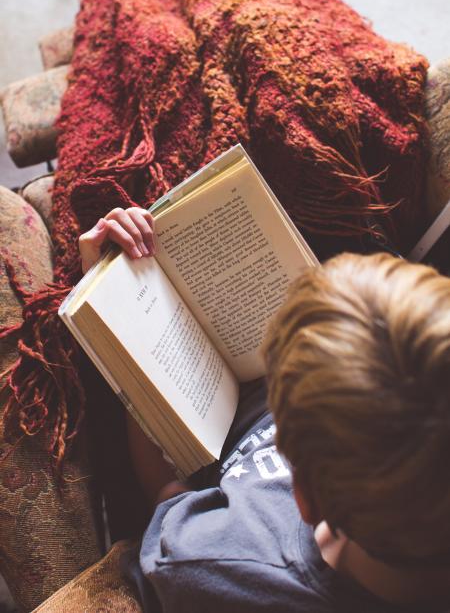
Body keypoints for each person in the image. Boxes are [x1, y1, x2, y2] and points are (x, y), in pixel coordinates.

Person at [79, 206, 450, 612]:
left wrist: (112, 305)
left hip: (189, 420)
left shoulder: (213, 560)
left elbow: (166, 493)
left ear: (305, 497)